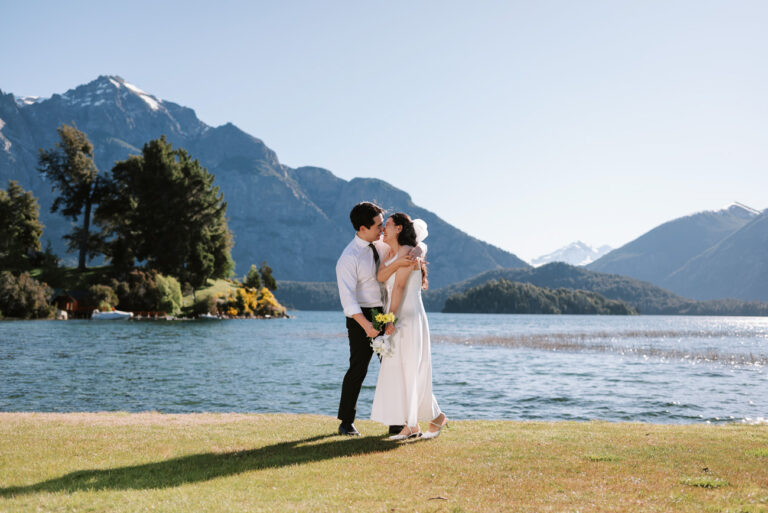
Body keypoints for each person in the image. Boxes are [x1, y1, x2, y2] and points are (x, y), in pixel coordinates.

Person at [335, 202, 416, 436]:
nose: (382, 229)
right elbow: (348, 300)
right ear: (362, 228)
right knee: (358, 368)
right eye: (378, 225)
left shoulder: (382, 245)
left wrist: (416, 252)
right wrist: (366, 325)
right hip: (361, 316)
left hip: (384, 312)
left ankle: (396, 422)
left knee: (392, 367)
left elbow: (412, 245)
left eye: (383, 224)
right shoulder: (348, 257)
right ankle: (346, 422)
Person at [370, 213, 447, 440]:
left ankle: (427, 419)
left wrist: (390, 318)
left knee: (410, 367)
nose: (383, 229)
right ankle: (413, 424)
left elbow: (399, 287)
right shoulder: (391, 253)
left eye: (388, 225)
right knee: (400, 368)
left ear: (399, 229)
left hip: (408, 315)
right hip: (398, 312)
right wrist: (395, 265)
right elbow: (381, 276)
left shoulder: (407, 252)